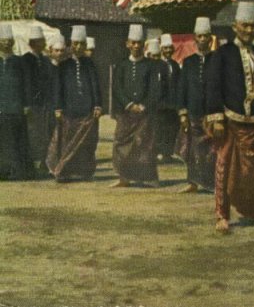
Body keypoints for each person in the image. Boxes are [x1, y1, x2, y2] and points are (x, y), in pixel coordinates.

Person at [206, 1, 254, 233]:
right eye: (245, 26)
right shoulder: (222, 54)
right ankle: (222, 215)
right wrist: (216, 117)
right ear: (234, 26)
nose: (249, 31)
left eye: (252, 27)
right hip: (231, 119)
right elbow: (213, 85)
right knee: (225, 167)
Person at [48, 25, 102, 182]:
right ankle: (65, 172)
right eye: (75, 44)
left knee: (86, 143)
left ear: (85, 45)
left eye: (81, 44)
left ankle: (84, 172)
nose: (78, 47)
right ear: (71, 45)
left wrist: (98, 105)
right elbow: (58, 87)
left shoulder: (90, 64)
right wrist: (58, 107)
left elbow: (95, 85)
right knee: (67, 141)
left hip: (87, 108)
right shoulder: (63, 65)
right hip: (69, 108)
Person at [110, 24, 161, 188]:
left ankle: (148, 178)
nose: (136, 46)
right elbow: (117, 87)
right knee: (121, 143)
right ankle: (123, 178)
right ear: (128, 44)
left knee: (145, 145)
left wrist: (143, 105)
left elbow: (155, 88)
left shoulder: (151, 66)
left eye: (139, 43)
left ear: (144, 45)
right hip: (126, 112)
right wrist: (129, 104)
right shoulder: (122, 65)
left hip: (144, 114)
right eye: (133, 42)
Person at [176, 17, 216, 193]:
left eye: (205, 36)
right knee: (193, 150)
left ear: (210, 38)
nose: (202, 40)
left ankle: (213, 183)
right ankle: (192, 183)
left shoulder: (218, 60)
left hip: (213, 113)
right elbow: (182, 87)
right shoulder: (189, 62)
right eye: (199, 36)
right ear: (195, 38)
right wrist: (183, 113)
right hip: (193, 112)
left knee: (212, 150)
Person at [0, 23, 34, 180]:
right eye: (3, 40)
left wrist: (26, 104)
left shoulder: (19, 62)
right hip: (1, 106)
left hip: (16, 106)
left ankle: (17, 171)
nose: (6, 43)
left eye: (9, 40)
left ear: (13, 42)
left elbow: (27, 84)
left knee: (16, 140)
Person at [23, 26, 56, 172]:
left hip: (44, 103)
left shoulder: (45, 60)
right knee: (32, 134)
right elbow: (25, 83)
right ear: (31, 43)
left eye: (42, 41)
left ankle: (43, 163)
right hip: (31, 104)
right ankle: (33, 163)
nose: (40, 44)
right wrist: (26, 103)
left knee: (44, 133)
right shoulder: (25, 60)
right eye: (37, 42)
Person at [156, 34, 181, 163]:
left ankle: (168, 153)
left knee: (172, 128)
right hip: (161, 104)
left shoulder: (175, 65)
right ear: (161, 50)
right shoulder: (157, 65)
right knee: (161, 128)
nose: (168, 51)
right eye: (165, 48)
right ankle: (160, 152)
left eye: (170, 48)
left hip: (173, 103)